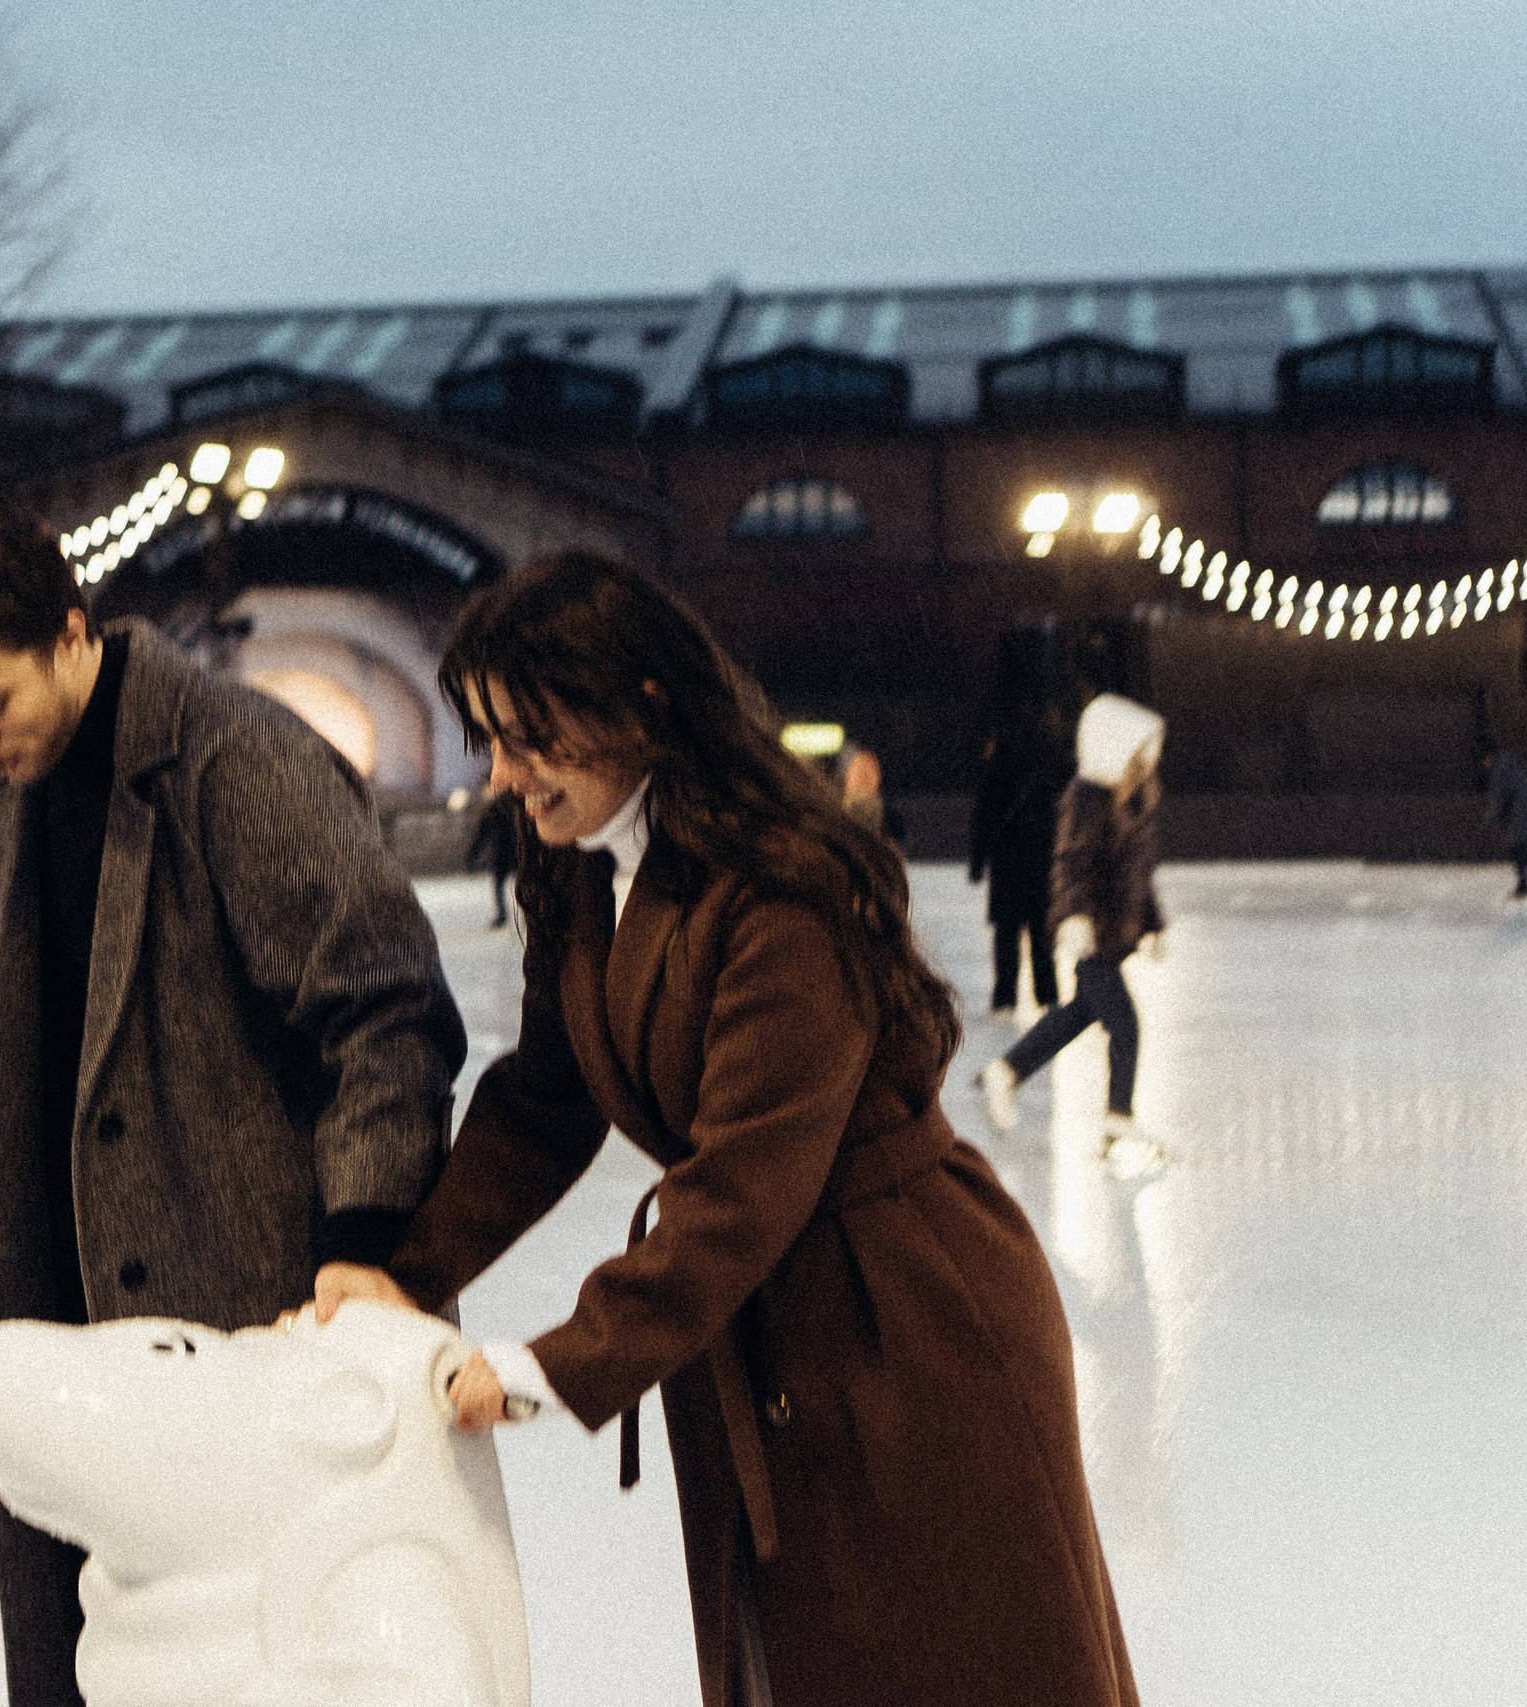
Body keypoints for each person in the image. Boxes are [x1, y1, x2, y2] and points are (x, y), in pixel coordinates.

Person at [313, 555, 1137, 1707]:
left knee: (949, 1667)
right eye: (493, 739)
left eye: (531, 738)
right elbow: (548, 1098)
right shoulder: (580, 874)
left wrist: (552, 1365)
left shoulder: (786, 882)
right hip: (762, 1328)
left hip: (906, 1325)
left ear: (641, 706)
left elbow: (747, 1181)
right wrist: (405, 1272)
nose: (505, 777)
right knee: (796, 1669)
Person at [0, 506, 465, 1707]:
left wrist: (361, 1244)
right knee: (113, 1660)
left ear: (72, 633)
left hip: (250, 1320)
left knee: (245, 1666)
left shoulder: (233, 762)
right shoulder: (19, 804)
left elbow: (385, 1008)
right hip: (90, 1313)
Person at [977, 694, 1166, 1169]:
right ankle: (1117, 1121)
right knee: (1125, 1025)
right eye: (1141, 749)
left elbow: (1138, 870)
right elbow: (1072, 862)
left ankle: (1007, 1070)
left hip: (1114, 934)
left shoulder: (1135, 795)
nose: (1149, 758)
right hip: (1092, 933)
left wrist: (1153, 922)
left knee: (1078, 1015)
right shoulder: (1086, 796)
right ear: (1118, 747)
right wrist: (1075, 916)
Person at [968, 711, 1069, 1018]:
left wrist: (977, 863)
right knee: (1040, 937)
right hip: (1037, 871)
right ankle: (1048, 996)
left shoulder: (993, 777)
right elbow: (1053, 825)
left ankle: (1005, 999)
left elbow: (981, 824)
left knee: (1007, 939)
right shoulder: (1037, 778)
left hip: (1007, 872)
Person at [1483, 748, 1527, 898]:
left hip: (1521, 815)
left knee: (1517, 848)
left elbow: (1500, 798)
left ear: (1489, 758)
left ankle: (1524, 884)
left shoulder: (1500, 772)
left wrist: (1490, 819)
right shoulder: (1516, 768)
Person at [465, 791, 521, 927]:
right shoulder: (517, 805)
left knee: (499, 885)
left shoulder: (492, 808)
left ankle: (502, 915)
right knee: (521, 882)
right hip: (517, 852)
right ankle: (530, 911)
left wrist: (471, 856)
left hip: (501, 853)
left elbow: (480, 834)